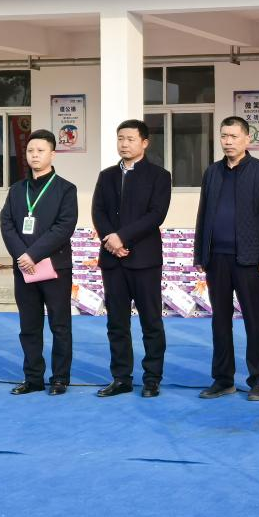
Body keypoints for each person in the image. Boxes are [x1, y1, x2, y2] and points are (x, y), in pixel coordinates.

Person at [193, 115, 259, 401]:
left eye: (233, 136)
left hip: (249, 260)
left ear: (247, 139)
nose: (228, 141)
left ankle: (258, 379)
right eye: (224, 136)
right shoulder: (212, 172)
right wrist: (200, 253)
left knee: (254, 321)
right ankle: (223, 379)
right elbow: (203, 214)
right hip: (216, 259)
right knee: (220, 321)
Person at [90, 119, 172, 398]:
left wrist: (122, 237)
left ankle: (152, 378)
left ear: (144, 143)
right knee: (117, 323)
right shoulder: (107, 176)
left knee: (151, 322)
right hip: (113, 260)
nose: (124, 144)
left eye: (130, 139)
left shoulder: (159, 176)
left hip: (144, 259)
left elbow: (156, 215)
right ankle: (121, 377)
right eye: (120, 139)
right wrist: (111, 241)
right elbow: (98, 212)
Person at [0, 128, 79, 396]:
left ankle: (60, 378)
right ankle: (33, 378)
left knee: (59, 325)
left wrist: (33, 254)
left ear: (52, 154)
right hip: (24, 269)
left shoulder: (66, 189)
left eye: (40, 151)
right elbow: (7, 224)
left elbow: (64, 227)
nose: (34, 155)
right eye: (30, 150)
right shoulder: (17, 189)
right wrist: (21, 256)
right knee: (29, 326)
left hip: (54, 267)